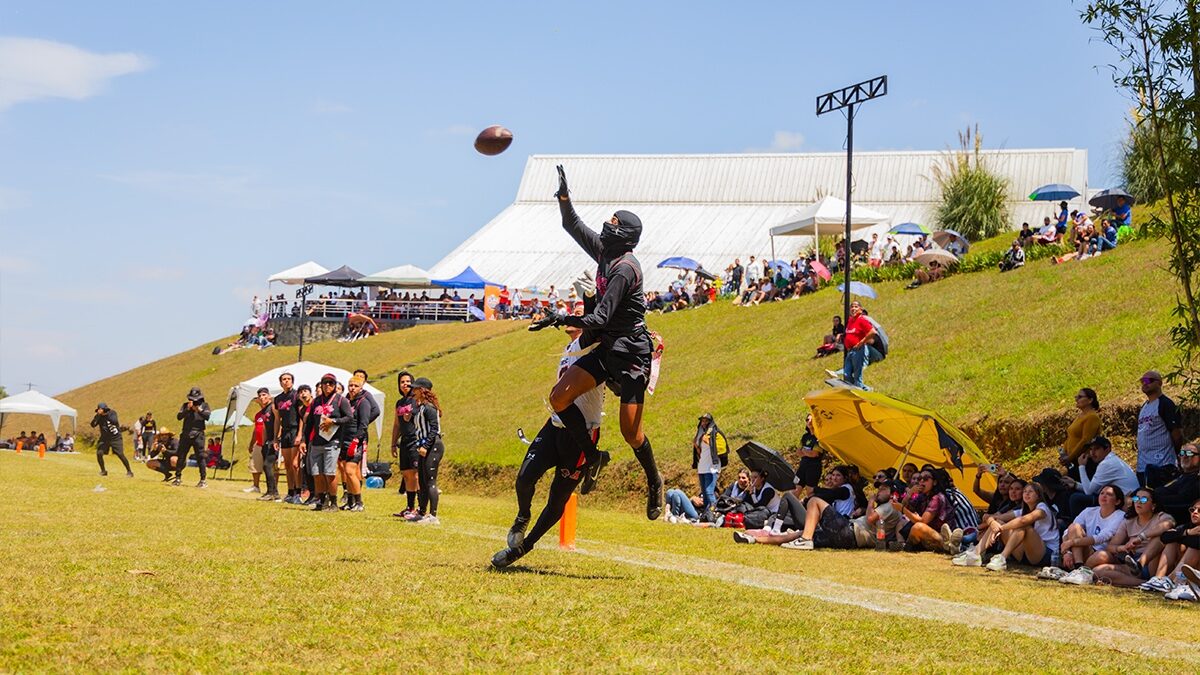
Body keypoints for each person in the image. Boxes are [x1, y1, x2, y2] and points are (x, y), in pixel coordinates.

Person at [530, 165, 663, 520]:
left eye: (614, 223)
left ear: (626, 235)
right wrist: (564, 197)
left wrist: (561, 319)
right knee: (559, 397)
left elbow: (600, 318)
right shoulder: (606, 251)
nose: (607, 226)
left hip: (632, 353)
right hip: (609, 347)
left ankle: (654, 480)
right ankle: (592, 457)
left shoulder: (625, 268)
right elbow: (571, 226)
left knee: (631, 434)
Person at [493, 311, 607, 567]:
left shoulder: (592, 345)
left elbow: (596, 323)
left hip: (582, 434)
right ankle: (523, 516)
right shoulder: (569, 347)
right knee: (524, 478)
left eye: (578, 313)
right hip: (555, 426)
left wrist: (588, 297)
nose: (571, 316)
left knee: (557, 500)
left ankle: (524, 547)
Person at [957, 482, 1058, 571]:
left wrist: (999, 529)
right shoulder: (1022, 510)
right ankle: (975, 554)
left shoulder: (1042, 508)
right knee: (999, 522)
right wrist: (993, 523)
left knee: (1023, 527)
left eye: (1030, 492)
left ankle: (1002, 558)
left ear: (1038, 496)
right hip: (1025, 554)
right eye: (1025, 491)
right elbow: (994, 517)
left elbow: (1023, 521)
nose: (1026, 494)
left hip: (1046, 553)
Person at [1092, 487, 1176, 587]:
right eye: (1136, 499)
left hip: (1153, 562)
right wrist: (1123, 548)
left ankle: (1142, 567)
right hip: (1132, 563)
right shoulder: (1128, 521)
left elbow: (1169, 524)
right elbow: (1110, 547)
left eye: (1144, 499)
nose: (1138, 502)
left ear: (1153, 506)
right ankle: (1145, 584)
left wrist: (1141, 537)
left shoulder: (1161, 516)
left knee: (1164, 535)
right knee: (1097, 571)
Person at [1057, 484, 1127, 585]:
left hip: (1105, 554)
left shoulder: (1120, 516)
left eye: (1109, 494)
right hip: (1085, 551)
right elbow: (1067, 532)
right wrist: (1067, 553)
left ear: (1117, 501)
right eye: (1102, 493)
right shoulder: (1089, 511)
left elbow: (1102, 537)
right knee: (1074, 527)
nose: (1104, 496)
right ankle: (1078, 568)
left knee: (1101, 555)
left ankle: (1078, 572)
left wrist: (1071, 542)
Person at [303, 374, 352, 511]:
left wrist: (334, 421)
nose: (327, 385)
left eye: (331, 383)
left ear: (335, 385)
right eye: (325, 383)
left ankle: (333, 502)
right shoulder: (316, 401)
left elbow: (349, 417)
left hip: (332, 441)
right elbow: (310, 423)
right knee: (317, 473)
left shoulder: (341, 400)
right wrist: (304, 441)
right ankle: (322, 500)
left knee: (329, 473)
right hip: (316, 442)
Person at [1137, 371, 1183, 487]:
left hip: (1162, 464)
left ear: (1159, 383)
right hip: (1143, 465)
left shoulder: (1165, 404)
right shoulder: (1144, 406)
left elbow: (1177, 434)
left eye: (1148, 380)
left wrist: (1175, 452)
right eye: (1142, 381)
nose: (1144, 383)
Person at [408, 377, 444, 524]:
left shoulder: (429, 408)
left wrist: (425, 446)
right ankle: (422, 512)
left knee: (430, 481)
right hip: (424, 445)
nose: (413, 392)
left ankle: (433, 516)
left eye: (415, 389)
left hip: (433, 446)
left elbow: (434, 429)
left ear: (422, 390)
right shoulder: (421, 407)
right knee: (422, 481)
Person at [898, 468, 952, 552]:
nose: (922, 481)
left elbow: (923, 521)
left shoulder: (937, 498)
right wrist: (910, 493)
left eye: (926, 478)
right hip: (928, 535)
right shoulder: (923, 497)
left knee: (918, 527)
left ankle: (906, 547)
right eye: (920, 479)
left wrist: (902, 509)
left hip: (941, 537)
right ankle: (902, 544)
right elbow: (906, 506)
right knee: (901, 523)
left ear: (934, 482)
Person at [390, 371, 421, 517]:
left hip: (416, 440)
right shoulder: (399, 403)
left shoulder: (417, 400)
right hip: (405, 442)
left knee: (416, 475)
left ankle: (421, 509)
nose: (405, 384)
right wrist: (393, 443)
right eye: (402, 382)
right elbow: (396, 424)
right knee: (407, 474)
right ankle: (410, 507)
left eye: (408, 381)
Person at [340, 374, 372, 511]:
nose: (352, 388)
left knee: (350, 471)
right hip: (344, 439)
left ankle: (359, 502)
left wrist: (356, 440)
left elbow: (364, 424)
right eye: (350, 386)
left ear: (361, 388)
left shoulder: (363, 402)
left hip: (356, 440)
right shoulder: (347, 401)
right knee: (346, 472)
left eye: (356, 386)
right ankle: (350, 501)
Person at [273, 372, 304, 504]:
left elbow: (302, 416)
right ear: (280, 382)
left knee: (295, 464)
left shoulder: (296, 396)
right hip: (284, 432)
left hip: (295, 429)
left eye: (289, 379)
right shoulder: (278, 398)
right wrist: (275, 437)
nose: (286, 381)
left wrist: (299, 434)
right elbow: (277, 419)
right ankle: (290, 491)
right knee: (287, 465)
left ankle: (298, 492)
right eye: (284, 379)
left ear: (292, 381)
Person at [1057, 388, 1101, 477]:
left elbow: (1085, 440)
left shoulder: (1092, 417)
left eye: (1080, 397)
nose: (1076, 399)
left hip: (1083, 461)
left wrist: (1070, 457)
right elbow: (1071, 436)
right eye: (1076, 396)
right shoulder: (1080, 416)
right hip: (1073, 460)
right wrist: (1064, 453)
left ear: (1090, 400)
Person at [172, 387, 211, 487]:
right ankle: (178, 478)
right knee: (181, 456)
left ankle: (203, 480)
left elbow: (207, 417)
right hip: (186, 434)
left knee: (200, 457)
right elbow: (179, 417)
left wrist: (198, 410)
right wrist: (187, 409)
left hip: (198, 434)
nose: (193, 401)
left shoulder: (204, 405)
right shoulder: (185, 405)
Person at [691, 413, 727, 517]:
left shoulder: (716, 434)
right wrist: (696, 446)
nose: (704, 423)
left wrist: (709, 442)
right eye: (702, 421)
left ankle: (715, 513)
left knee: (709, 491)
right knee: (705, 493)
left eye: (706, 421)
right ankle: (706, 514)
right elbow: (700, 453)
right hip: (702, 466)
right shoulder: (700, 434)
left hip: (712, 467)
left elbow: (722, 449)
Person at [837, 301, 879, 390]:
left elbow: (873, 332)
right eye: (852, 307)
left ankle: (861, 392)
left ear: (860, 309)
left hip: (858, 350)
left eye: (856, 307)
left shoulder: (862, 320)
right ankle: (865, 389)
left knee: (857, 375)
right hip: (850, 351)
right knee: (846, 374)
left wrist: (861, 342)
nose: (853, 309)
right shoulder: (850, 321)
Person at [250, 388, 280, 501]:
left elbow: (278, 421)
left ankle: (271, 492)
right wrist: (263, 442)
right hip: (266, 442)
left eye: (264, 395)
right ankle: (273, 492)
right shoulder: (263, 411)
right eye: (260, 396)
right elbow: (265, 428)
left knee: (268, 465)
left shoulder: (273, 407)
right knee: (267, 466)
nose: (262, 397)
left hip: (274, 441)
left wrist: (276, 439)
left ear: (269, 396)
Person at [89, 402, 133, 477]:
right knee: (99, 453)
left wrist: (105, 415)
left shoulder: (112, 413)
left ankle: (129, 471)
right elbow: (93, 425)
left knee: (120, 454)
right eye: (99, 409)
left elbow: (114, 421)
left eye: (101, 409)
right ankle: (103, 471)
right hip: (104, 439)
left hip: (115, 438)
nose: (99, 411)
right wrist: (97, 416)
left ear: (104, 409)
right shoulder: (99, 416)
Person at [793, 415, 822, 498]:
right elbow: (798, 452)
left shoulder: (818, 437)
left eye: (812, 420)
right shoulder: (805, 436)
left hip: (814, 467)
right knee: (795, 490)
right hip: (803, 466)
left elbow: (814, 453)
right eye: (807, 420)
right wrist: (807, 452)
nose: (809, 421)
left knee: (810, 493)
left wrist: (804, 451)